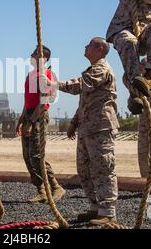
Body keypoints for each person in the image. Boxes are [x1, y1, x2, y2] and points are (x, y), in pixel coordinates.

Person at [48, 37, 120, 226]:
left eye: (89, 44)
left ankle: (108, 212)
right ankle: (96, 208)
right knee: (85, 170)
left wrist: (55, 84)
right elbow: (86, 102)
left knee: (103, 168)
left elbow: (81, 85)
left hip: (101, 127)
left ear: (99, 48)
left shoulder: (101, 68)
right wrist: (74, 123)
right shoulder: (93, 69)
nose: (85, 47)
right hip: (88, 128)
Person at [16, 46, 66, 203]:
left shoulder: (46, 75)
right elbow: (28, 101)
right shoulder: (31, 74)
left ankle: (56, 187)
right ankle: (41, 190)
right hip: (29, 115)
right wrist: (21, 119)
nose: (30, 54)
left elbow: (44, 101)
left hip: (38, 116)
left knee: (36, 155)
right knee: (27, 155)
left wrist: (31, 122)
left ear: (43, 57)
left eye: (35, 52)